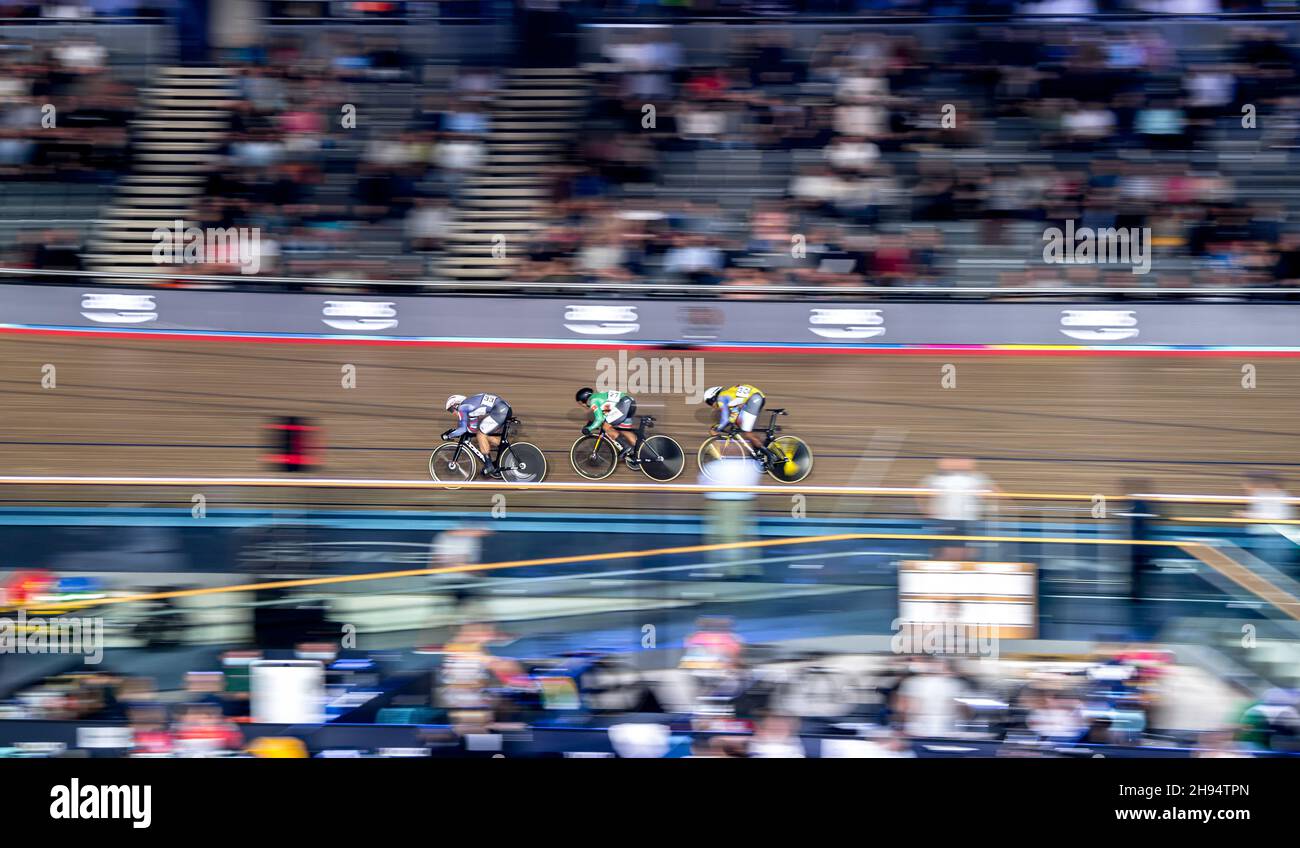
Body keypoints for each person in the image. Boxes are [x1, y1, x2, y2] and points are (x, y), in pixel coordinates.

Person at [703, 384, 776, 464]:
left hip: (754, 399)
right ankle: (760, 451)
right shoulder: (728, 396)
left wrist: (716, 428)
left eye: (709, 402)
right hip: (755, 398)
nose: (712, 406)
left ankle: (770, 455)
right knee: (742, 426)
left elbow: (725, 419)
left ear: (713, 398)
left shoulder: (721, 399)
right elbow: (733, 416)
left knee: (747, 433)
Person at [442, 393, 511, 476]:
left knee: (480, 435)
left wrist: (448, 435)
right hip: (503, 408)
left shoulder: (463, 407)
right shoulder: (469, 406)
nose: (452, 413)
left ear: (456, 405)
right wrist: (459, 432)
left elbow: (463, 429)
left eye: (451, 410)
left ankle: (489, 466)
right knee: (482, 434)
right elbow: (472, 429)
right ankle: (505, 447)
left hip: (499, 410)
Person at [576, 387, 640, 465]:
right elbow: (605, 412)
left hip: (623, 405)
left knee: (606, 426)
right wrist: (591, 424)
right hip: (629, 402)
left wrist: (590, 428)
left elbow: (599, 419)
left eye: (581, 403)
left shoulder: (593, 401)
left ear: (584, 399)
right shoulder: (598, 396)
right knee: (624, 430)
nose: (582, 405)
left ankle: (626, 447)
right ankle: (641, 451)